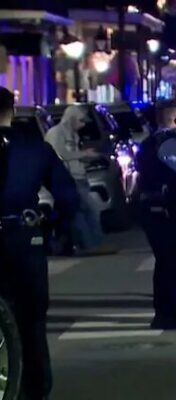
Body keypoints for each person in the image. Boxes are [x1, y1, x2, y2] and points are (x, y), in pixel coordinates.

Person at [0, 87, 79, 400]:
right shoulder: (34, 148)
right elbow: (68, 196)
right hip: (23, 236)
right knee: (31, 317)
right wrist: (52, 224)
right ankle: (35, 386)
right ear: (12, 111)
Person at [134, 98, 176, 330]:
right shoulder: (174, 144)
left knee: (166, 262)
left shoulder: (148, 143)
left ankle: (166, 312)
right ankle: (166, 312)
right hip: (171, 211)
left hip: (153, 209)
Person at [45, 105, 114, 256]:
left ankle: (87, 244)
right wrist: (83, 154)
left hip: (79, 177)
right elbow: (58, 154)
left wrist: (87, 157)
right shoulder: (56, 133)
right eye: (81, 121)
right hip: (68, 179)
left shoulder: (73, 134)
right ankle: (92, 244)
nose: (83, 125)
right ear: (71, 119)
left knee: (81, 213)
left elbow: (71, 155)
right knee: (89, 210)